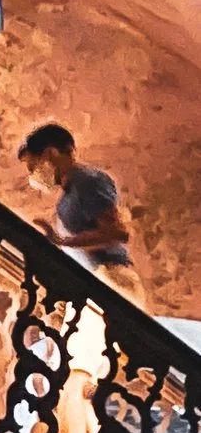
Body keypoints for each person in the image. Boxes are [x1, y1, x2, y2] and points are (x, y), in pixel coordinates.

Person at [17, 123, 147, 303]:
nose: (33, 175)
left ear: (51, 154)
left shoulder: (87, 181)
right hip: (93, 283)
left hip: (110, 281)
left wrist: (64, 241)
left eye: (33, 166)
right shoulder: (67, 197)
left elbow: (116, 233)